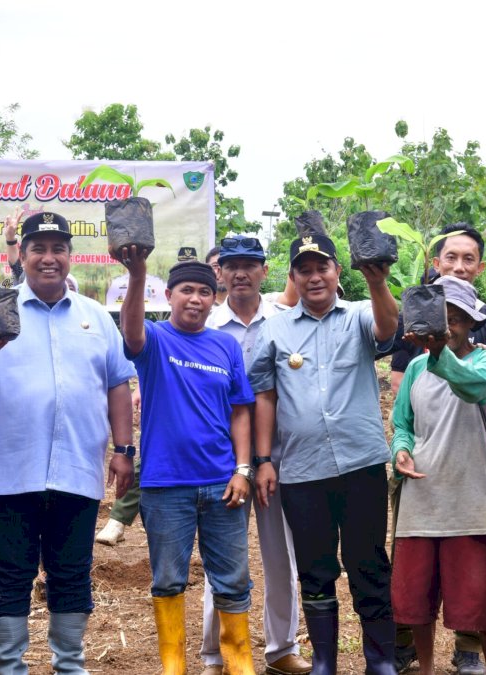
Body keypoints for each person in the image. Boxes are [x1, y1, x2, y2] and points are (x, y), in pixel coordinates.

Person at [0, 211, 137, 674]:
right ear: (22, 254)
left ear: (70, 256)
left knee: (72, 573)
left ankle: (70, 664)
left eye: (58, 249)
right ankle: (10, 666)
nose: (49, 258)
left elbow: (118, 383)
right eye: (39, 248)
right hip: (11, 471)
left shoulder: (96, 316)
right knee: (10, 574)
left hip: (77, 469)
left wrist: (123, 449)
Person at [249, 232, 400, 674]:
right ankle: (324, 661)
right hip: (301, 469)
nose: (314, 277)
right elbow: (265, 396)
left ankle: (381, 659)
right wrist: (263, 459)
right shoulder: (274, 328)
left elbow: (389, 330)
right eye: (304, 270)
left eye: (323, 268)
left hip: (360, 463)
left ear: (337, 273)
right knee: (315, 568)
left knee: (367, 560)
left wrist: (377, 282)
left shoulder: (358, 315)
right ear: (293, 277)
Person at [388, 222, 486, 675]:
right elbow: (403, 422)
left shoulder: (484, 360)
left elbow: (471, 387)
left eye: (456, 318)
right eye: (440, 316)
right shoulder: (415, 369)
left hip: (469, 494)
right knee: (417, 601)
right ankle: (426, 668)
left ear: (471, 324)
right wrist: (402, 451)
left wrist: (437, 352)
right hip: (423, 497)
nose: (447, 325)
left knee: (480, 600)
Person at [117, 244, 258, 675]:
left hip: (222, 483)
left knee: (232, 582)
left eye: (203, 291)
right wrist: (138, 276)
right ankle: (174, 666)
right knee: (168, 581)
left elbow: (240, 412)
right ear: (169, 297)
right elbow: (132, 332)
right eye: (185, 291)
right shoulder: (155, 340)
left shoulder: (225, 347)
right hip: (165, 487)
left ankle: (238, 664)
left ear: (213, 299)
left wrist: (243, 469)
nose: (195, 299)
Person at [200, 235, 311, 675]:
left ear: (265, 271)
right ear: (219, 273)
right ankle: (216, 654)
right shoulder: (204, 326)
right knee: (221, 558)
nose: (241, 272)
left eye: (250, 264)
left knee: (282, 554)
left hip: (281, 456)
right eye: (232, 265)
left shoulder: (286, 320)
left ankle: (282, 648)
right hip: (218, 458)